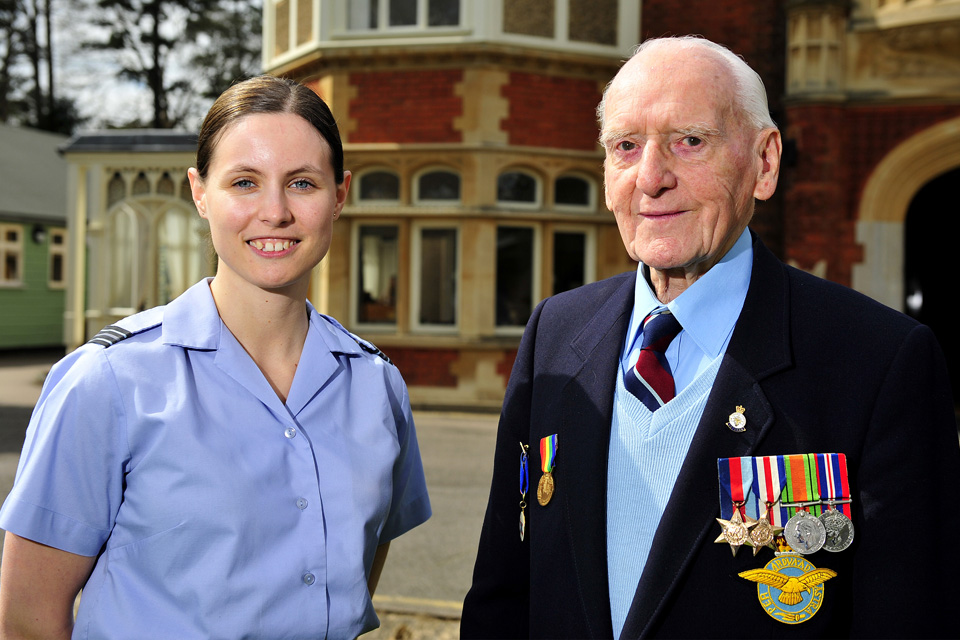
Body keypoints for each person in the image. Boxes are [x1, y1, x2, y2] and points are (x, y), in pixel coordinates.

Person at [461, 36, 959, 639]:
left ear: (765, 163)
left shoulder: (879, 361)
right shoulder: (555, 334)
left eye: (689, 141)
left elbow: (908, 619)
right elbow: (502, 595)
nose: (651, 178)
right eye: (626, 146)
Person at [0, 76, 431, 639]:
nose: (274, 212)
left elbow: (351, 578)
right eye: (245, 182)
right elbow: (28, 619)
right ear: (200, 192)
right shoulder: (107, 381)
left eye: (302, 183)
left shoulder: (378, 386)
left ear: (340, 195)